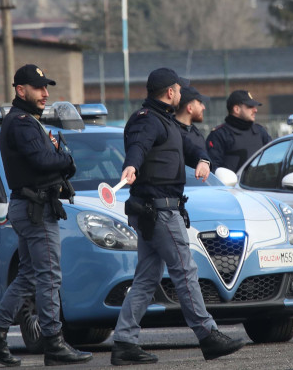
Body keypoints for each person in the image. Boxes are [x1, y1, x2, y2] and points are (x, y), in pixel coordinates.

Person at [111, 67, 245, 366]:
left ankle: (124, 342)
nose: (183, 94)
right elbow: (138, 147)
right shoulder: (147, 121)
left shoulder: (167, 122)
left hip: (160, 209)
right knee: (185, 271)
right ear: (170, 92)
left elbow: (191, 147)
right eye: (180, 89)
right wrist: (131, 166)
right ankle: (208, 334)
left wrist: (204, 160)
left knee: (147, 278)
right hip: (158, 210)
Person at [0, 64, 92, 367]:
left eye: (46, 87)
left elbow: (43, 160)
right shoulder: (23, 123)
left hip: (30, 206)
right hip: (36, 209)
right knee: (49, 275)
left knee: (28, 275)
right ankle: (53, 343)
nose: (45, 93)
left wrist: (58, 160)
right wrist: (64, 159)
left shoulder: (25, 122)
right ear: (20, 90)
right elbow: (43, 161)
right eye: (39, 88)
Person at [206, 89, 272, 172]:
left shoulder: (260, 131)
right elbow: (213, 168)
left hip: (260, 184)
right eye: (250, 107)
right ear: (236, 109)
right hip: (233, 185)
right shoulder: (219, 135)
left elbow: (274, 157)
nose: (255, 110)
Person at [174, 85, 208, 156]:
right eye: (200, 103)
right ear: (190, 108)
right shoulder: (171, 134)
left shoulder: (195, 132)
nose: (203, 107)